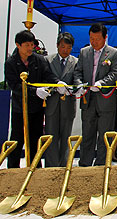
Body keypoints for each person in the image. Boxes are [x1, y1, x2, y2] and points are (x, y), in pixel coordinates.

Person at [4, 30, 58, 168]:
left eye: (32, 45)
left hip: (37, 108)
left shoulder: (39, 60)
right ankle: (12, 169)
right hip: (20, 108)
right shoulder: (10, 63)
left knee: (36, 138)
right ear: (18, 45)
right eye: (27, 45)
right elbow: (15, 86)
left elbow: (47, 75)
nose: (30, 48)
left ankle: (35, 167)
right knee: (17, 139)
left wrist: (57, 82)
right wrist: (35, 91)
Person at [74, 24, 117, 166]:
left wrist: (102, 83)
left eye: (97, 39)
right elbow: (77, 71)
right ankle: (85, 164)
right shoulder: (84, 52)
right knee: (87, 133)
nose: (94, 42)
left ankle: (102, 164)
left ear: (105, 38)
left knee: (104, 135)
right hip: (88, 99)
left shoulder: (114, 53)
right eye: (91, 38)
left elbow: (115, 72)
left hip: (106, 100)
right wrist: (79, 83)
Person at [44, 32, 78, 167]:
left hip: (68, 104)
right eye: (63, 47)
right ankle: (51, 166)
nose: (65, 50)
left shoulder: (75, 62)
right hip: (52, 103)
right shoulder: (48, 60)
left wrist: (74, 88)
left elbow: (77, 78)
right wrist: (54, 86)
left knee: (66, 136)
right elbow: (45, 77)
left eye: (68, 48)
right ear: (57, 46)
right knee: (51, 136)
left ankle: (64, 165)